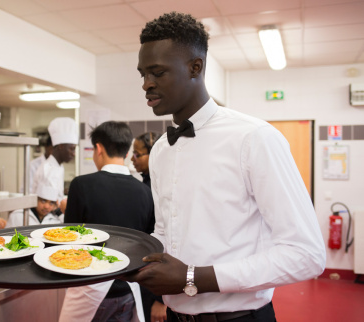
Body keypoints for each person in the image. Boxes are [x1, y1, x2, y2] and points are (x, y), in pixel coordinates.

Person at [127, 12, 326, 321]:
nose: (146, 84)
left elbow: (306, 255)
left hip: (240, 317)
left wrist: (192, 278)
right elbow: (167, 229)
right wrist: (133, 262)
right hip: (175, 316)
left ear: (196, 67)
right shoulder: (161, 150)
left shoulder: (254, 138)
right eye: (143, 74)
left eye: (157, 73)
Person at [59, 121, 155, 322]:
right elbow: (149, 243)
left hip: (90, 289)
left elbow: (68, 240)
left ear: (98, 149)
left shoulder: (81, 185)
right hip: (129, 290)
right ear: (127, 153)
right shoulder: (145, 192)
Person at [131, 131, 166, 322]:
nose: (132, 158)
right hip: (146, 269)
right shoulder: (146, 181)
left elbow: (167, 238)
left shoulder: (160, 185)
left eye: (137, 154)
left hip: (159, 278)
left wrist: (160, 299)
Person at [31, 117, 78, 207]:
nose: (74, 154)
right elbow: (47, 207)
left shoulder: (58, 166)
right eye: (72, 149)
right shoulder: (49, 169)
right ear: (61, 146)